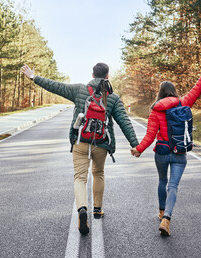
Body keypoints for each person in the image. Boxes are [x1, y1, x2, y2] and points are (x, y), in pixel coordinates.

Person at [21, 63, 139, 235]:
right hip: (101, 143)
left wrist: (34, 77)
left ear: (92, 75)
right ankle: (97, 210)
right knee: (98, 173)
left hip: (81, 141)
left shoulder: (79, 90)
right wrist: (135, 144)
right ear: (107, 76)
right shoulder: (112, 97)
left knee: (80, 178)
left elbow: (55, 86)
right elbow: (124, 121)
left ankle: (82, 209)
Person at [130, 53, 201, 236]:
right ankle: (167, 218)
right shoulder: (183, 103)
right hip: (179, 151)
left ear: (160, 93)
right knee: (173, 186)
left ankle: (161, 211)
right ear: (174, 91)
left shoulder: (156, 109)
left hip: (161, 150)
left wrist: (138, 150)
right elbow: (198, 88)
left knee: (162, 180)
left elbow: (150, 135)